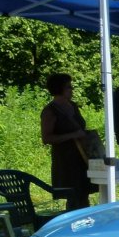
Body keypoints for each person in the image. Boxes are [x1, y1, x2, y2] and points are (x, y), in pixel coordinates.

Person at [40, 73, 93, 210]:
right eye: (68, 87)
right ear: (59, 89)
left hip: (82, 157)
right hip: (66, 160)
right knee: (73, 196)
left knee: (84, 194)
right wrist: (73, 135)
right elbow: (46, 138)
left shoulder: (73, 106)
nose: (72, 89)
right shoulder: (50, 111)